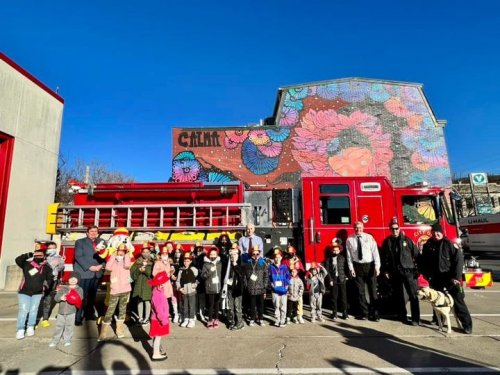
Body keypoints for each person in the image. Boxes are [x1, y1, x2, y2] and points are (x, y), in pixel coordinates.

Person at [418, 223, 473, 334]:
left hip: (450, 277)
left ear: (442, 232)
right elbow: (423, 260)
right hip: (435, 277)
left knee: (458, 300)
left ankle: (467, 325)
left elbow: (458, 261)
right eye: (433, 232)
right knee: (435, 299)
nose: (435, 234)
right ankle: (438, 320)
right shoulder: (428, 244)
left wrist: (456, 277)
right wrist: (425, 273)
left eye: (438, 232)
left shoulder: (449, 244)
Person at [381, 222, 420, 325]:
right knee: (399, 295)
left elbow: (416, 255)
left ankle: (416, 319)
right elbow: (384, 258)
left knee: (413, 295)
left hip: (408, 271)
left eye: (396, 228)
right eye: (392, 229)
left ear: (399, 228)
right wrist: (385, 270)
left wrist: (417, 269)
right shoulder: (387, 242)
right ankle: (402, 316)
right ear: (390, 229)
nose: (394, 230)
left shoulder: (407, 240)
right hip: (395, 272)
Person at [15, 244, 54, 339]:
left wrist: (45, 286)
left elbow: (50, 278)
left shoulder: (47, 267)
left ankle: (30, 327)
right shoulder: (27, 264)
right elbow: (18, 260)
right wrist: (29, 254)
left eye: (40, 255)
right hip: (24, 291)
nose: (38, 257)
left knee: (33, 310)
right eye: (36, 255)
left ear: (44, 256)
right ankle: (20, 329)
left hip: (37, 293)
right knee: (23, 310)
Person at [346, 221, 381, 321]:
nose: (358, 229)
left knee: (373, 291)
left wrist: (377, 267)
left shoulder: (369, 238)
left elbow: (375, 253)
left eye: (360, 227)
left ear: (363, 227)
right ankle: (364, 313)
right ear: (353, 228)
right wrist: (351, 268)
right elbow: (349, 257)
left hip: (369, 266)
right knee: (360, 292)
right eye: (356, 227)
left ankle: (375, 314)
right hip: (357, 267)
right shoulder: (349, 239)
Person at [73, 225, 107, 325]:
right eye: (91, 231)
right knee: (81, 296)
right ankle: (78, 318)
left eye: (95, 231)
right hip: (85, 273)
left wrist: (102, 265)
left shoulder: (102, 242)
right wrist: (90, 267)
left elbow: (106, 256)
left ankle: (89, 315)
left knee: (92, 297)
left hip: (97, 273)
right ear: (87, 233)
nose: (93, 233)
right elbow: (78, 256)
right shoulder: (80, 242)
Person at [98, 244, 132, 341]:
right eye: (119, 251)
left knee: (122, 310)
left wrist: (127, 256)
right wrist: (113, 256)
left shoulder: (126, 260)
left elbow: (127, 265)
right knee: (110, 310)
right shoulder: (113, 261)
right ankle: (103, 333)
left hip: (125, 289)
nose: (121, 253)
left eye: (123, 251)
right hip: (115, 290)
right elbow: (108, 267)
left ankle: (119, 330)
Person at [49, 272, 83, 347]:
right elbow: (56, 298)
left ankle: (67, 339)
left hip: (71, 312)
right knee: (59, 326)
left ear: (78, 280)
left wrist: (71, 296)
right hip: (61, 312)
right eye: (71, 278)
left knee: (69, 326)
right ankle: (55, 340)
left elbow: (80, 298)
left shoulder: (79, 289)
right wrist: (60, 298)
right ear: (68, 279)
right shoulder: (63, 288)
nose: (73, 280)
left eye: (75, 279)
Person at [40, 241, 65, 328]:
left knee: (48, 299)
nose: (52, 250)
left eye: (54, 248)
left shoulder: (58, 257)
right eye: (50, 248)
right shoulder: (42, 256)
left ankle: (45, 319)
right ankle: (33, 320)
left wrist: (61, 262)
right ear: (47, 249)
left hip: (52, 281)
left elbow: (62, 268)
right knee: (36, 300)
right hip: (40, 281)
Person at [221, 244, 245, 330]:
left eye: (235, 254)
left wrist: (235, 265)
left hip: (238, 289)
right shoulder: (227, 266)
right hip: (230, 289)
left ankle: (239, 322)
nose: (233, 256)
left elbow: (241, 276)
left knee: (237, 307)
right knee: (230, 307)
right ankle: (232, 322)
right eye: (231, 255)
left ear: (238, 255)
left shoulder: (241, 266)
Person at [243, 246, 268, 326]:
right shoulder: (248, 263)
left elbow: (266, 275)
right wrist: (247, 285)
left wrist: (265, 285)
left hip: (260, 288)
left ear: (259, 253)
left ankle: (261, 319)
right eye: (254, 253)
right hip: (251, 288)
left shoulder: (262, 263)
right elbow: (244, 276)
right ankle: (252, 319)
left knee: (261, 305)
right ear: (251, 254)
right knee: (252, 305)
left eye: (257, 253)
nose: (255, 255)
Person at [153, 244, 178, 323]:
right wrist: (164, 275)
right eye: (163, 253)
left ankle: (173, 314)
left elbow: (169, 273)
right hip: (161, 284)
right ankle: (163, 315)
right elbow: (154, 274)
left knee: (170, 298)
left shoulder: (168, 262)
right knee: (162, 300)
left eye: (166, 253)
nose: (164, 255)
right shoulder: (157, 263)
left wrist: (171, 273)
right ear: (160, 254)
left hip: (168, 284)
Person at [131, 242, 154, 325]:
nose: (145, 254)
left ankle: (146, 318)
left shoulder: (153, 262)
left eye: (147, 252)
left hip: (148, 284)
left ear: (150, 252)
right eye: (144, 252)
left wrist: (146, 271)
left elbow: (153, 274)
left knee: (147, 301)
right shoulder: (137, 262)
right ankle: (140, 317)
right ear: (141, 252)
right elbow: (132, 274)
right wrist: (138, 270)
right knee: (139, 300)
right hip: (138, 284)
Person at [324, 241, 349, 320]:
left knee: (343, 297)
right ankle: (334, 312)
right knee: (334, 297)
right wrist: (330, 280)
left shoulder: (342, 258)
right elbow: (327, 270)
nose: (335, 251)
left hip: (342, 279)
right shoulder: (329, 259)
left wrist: (346, 276)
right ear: (332, 250)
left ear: (339, 250)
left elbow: (346, 268)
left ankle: (344, 313)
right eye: (334, 250)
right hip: (334, 280)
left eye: (337, 250)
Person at [148, 271, 170, 361]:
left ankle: (156, 351)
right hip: (158, 320)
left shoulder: (158, 292)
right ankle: (156, 354)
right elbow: (159, 310)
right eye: (161, 284)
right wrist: (163, 320)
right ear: (157, 285)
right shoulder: (156, 294)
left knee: (157, 336)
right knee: (157, 337)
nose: (163, 285)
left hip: (159, 319)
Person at [282, 245, 305, 323]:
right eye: (289, 253)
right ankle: (288, 316)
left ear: (294, 252)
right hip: (288, 282)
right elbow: (282, 271)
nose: (290, 254)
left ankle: (299, 316)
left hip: (297, 282)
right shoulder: (284, 261)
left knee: (299, 300)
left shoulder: (298, 261)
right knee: (289, 302)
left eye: (292, 253)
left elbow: (302, 270)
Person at [201, 246, 223, 329]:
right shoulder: (206, 264)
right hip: (210, 288)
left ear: (217, 255)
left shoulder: (219, 263)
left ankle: (216, 319)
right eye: (211, 254)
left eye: (214, 254)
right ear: (209, 255)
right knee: (210, 305)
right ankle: (210, 320)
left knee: (217, 304)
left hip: (218, 287)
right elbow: (203, 276)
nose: (213, 256)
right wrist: (210, 271)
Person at [269, 247, 291, 327]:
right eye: (276, 257)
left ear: (281, 257)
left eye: (279, 257)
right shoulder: (271, 267)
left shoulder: (284, 267)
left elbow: (288, 277)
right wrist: (271, 284)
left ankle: (283, 319)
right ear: (274, 258)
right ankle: (277, 319)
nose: (277, 259)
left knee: (283, 305)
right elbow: (268, 277)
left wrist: (286, 286)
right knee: (276, 305)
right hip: (275, 290)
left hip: (283, 289)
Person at [176, 252, 198, 328]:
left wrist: (195, 285)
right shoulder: (181, 270)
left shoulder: (194, 269)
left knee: (191, 306)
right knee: (184, 306)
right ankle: (185, 319)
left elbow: (198, 279)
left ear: (191, 261)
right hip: (184, 291)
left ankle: (191, 319)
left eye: (188, 261)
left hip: (191, 291)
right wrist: (179, 288)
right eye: (185, 261)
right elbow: (178, 281)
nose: (186, 262)